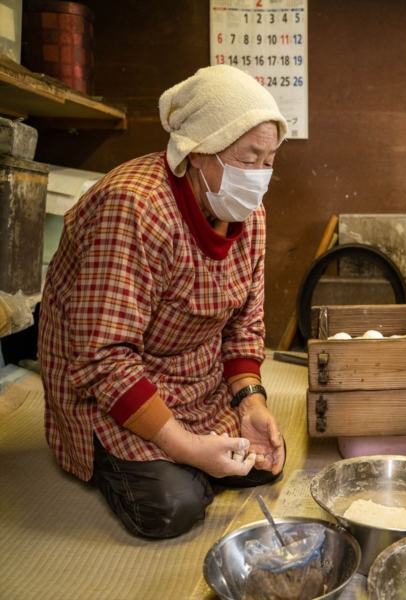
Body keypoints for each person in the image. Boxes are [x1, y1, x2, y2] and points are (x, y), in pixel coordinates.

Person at [38, 65, 288, 538]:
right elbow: (103, 358)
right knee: (173, 505)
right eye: (249, 158)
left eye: (270, 160)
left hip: (194, 375)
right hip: (112, 380)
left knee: (262, 457)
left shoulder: (248, 215)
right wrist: (185, 447)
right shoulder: (134, 207)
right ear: (197, 153)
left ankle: (195, 457)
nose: (260, 178)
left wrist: (252, 403)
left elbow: (243, 326)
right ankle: (137, 461)